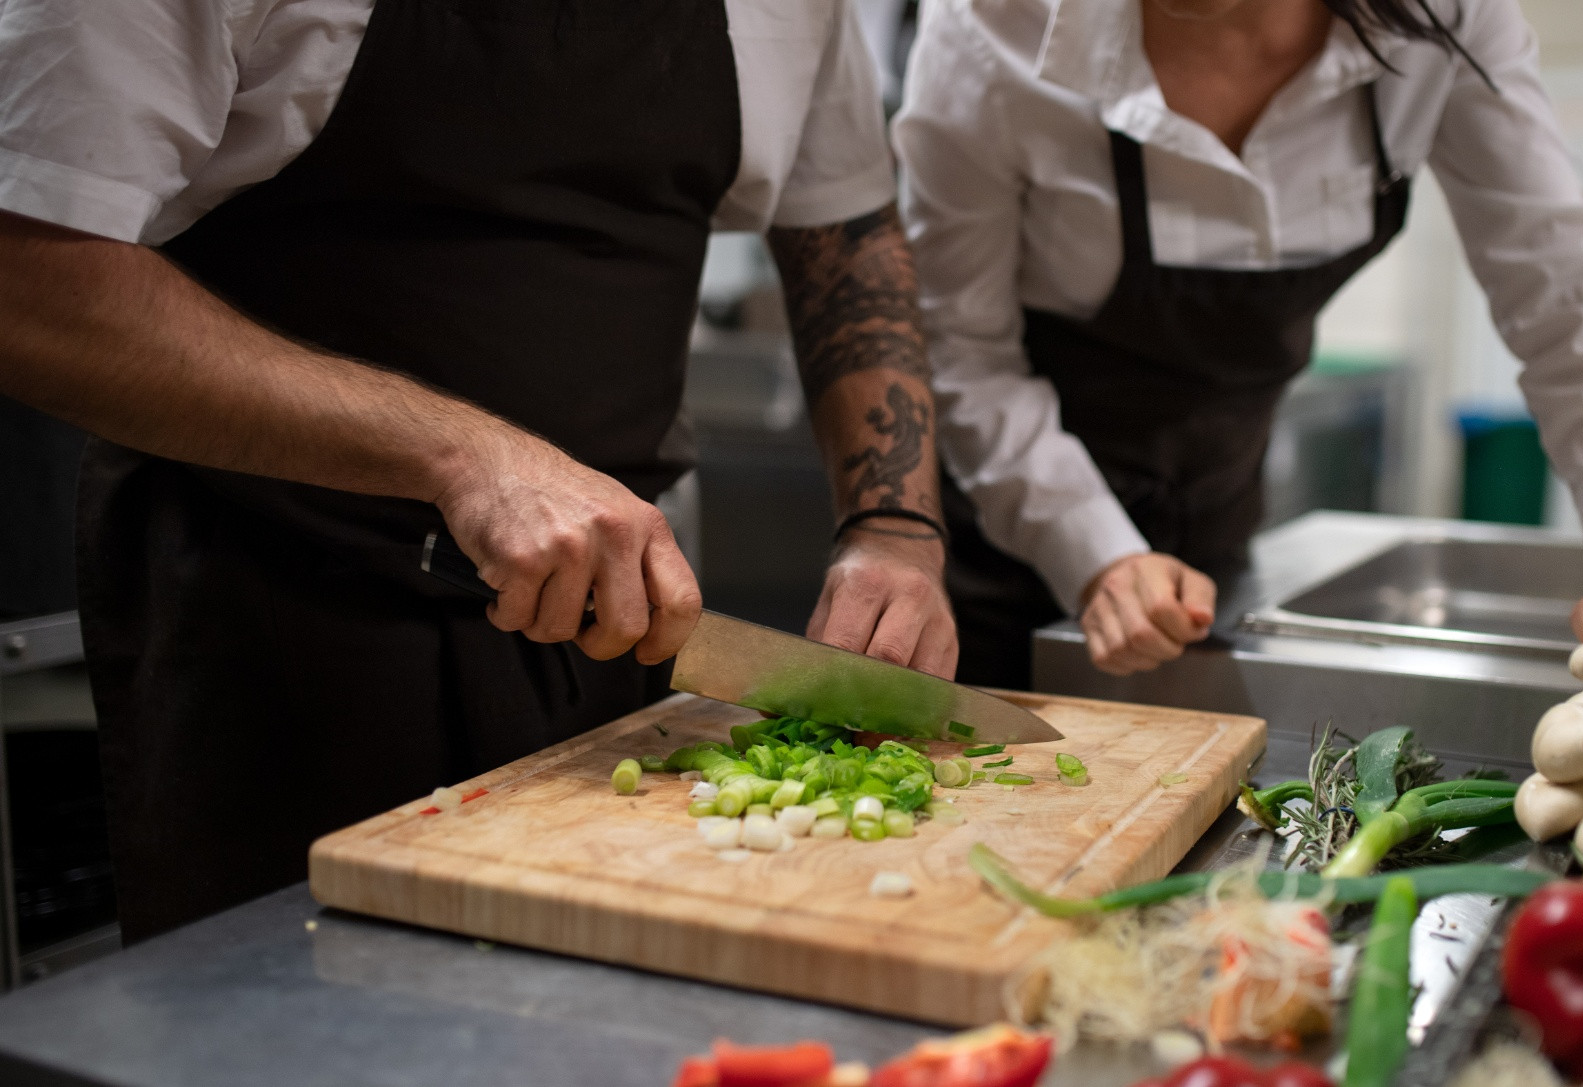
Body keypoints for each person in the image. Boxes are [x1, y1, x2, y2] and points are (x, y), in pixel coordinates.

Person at [0, 0, 955, 941]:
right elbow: (27, 276)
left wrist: (895, 523)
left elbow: (847, 236)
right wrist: (465, 455)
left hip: (608, 640)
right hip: (275, 636)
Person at [894, 0, 1583, 689]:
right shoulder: (989, 25)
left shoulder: (1441, 17)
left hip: (1216, 548)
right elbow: (963, 352)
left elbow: (1566, 292)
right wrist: (1093, 551)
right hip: (1003, 553)